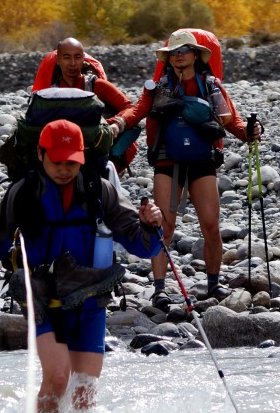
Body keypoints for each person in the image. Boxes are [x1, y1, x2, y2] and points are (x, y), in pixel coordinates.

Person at [0, 119, 164, 413]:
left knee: (84, 394)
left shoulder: (101, 190)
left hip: (90, 298)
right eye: (57, 161)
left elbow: (144, 247)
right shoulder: (24, 192)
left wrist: (151, 226)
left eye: (72, 162)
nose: (65, 169)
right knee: (57, 378)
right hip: (42, 298)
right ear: (41, 155)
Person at [111, 29, 260, 309]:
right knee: (163, 228)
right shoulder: (157, 87)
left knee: (211, 226)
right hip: (167, 161)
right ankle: (159, 290)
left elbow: (231, 120)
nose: (179, 56)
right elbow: (138, 110)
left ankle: (213, 285)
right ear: (168, 58)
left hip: (202, 161)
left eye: (184, 51)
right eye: (174, 53)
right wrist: (117, 123)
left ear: (195, 55)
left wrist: (249, 132)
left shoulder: (211, 84)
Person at [34, 37, 139, 178]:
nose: (72, 63)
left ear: (84, 59)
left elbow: (130, 107)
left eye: (77, 57)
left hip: (96, 153)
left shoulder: (98, 85)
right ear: (57, 60)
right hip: (60, 157)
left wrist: (116, 123)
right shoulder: (49, 94)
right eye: (66, 57)